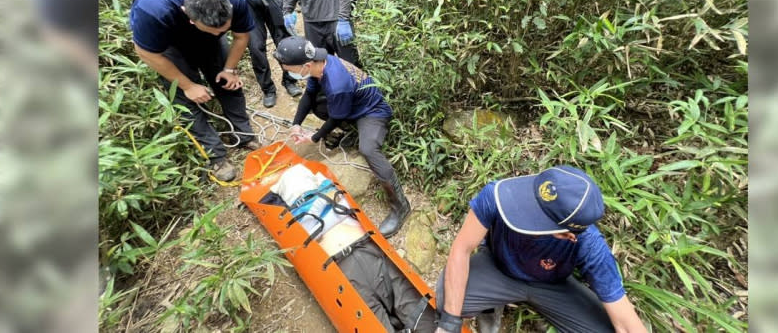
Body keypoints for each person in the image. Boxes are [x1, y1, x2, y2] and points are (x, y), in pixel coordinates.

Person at [435, 166, 648, 333]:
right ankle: (490, 311)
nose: (522, 212)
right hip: (499, 268)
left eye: (535, 219)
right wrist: (449, 325)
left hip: (552, 286)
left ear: (567, 235)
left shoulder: (589, 244)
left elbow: (628, 324)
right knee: (447, 299)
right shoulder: (499, 195)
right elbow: (461, 249)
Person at [263, 163, 436, 332]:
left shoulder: (332, 193)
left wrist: (318, 197)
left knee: (428, 323)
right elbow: (266, 204)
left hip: (370, 254)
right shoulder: (293, 218)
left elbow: (322, 177)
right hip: (347, 271)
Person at [129, 0, 262, 181]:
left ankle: (244, 135)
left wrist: (229, 69)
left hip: (207, 40)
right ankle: (216, 156)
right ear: (189, 16)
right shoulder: (153, 12)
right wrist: (188, 85)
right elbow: (146, 52)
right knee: (187, 99)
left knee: (229, 84)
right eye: (216, 29)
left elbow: (240, 36)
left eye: (224, 28)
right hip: (169, 45)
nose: (221, 32)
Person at [273, 36, 409, 237]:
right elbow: (309, 96)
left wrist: (315, 137)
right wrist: (296, 125)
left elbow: (336, 116)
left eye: (290, 70)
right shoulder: (318, 64)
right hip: (350, 105)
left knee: (368, 149)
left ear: (306, 65)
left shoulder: (336, 83)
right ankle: (351, 128)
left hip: (372, 112)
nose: (289, 73)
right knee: (318, 106)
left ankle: (401, 206)